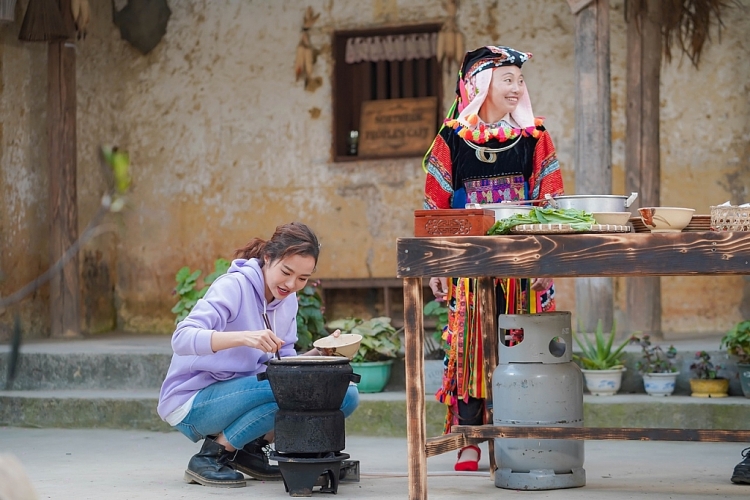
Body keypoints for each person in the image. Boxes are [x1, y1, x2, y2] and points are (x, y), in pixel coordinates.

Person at [422, 46, 564, 472]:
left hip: (521, 268)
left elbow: (551, 201)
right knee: (469, 349)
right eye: (508, 79)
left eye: (520, 80)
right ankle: (469, 440)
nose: (518, 88)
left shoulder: (535, 137)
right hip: (470, 268)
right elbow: (435, 208)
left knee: (518, 350)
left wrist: (545, 262)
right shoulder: (450, 138)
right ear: (480, 84)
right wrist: (438, 265)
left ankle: (512, 436)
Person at [157, 222, 359, 488]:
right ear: (268, 258)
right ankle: (211, 456)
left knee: (345, 394)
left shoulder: (288, 301)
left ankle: (250, 450)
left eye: (302, 278)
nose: (291, 284)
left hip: (243, 395)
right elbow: (181, 338)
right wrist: (245, 337)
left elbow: (282, 364)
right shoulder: (234, 286)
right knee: (289, 390)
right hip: (193, 401)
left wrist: (319, 353)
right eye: (286, 272)